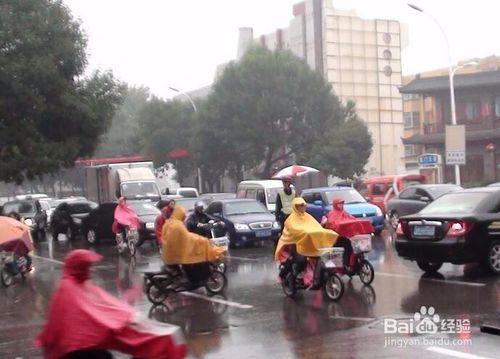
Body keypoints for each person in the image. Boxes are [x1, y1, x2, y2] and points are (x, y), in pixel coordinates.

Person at [35, 249, 186, 359]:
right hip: (76, 349)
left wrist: (125, 315)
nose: (88, 270)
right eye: (85, 266)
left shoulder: (79, 284)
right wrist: (115, 322)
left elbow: (106, 305)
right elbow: (90, 314)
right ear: (77, 266)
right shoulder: (69, 288)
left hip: (84, 346)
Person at [275, 197, 338, 289]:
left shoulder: (308, 217)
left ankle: (316, 279)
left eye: (303, 205)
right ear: (295, 206)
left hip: (308, 245)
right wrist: (307, 233)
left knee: (322, 258)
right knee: (301, 260)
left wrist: (326, 232)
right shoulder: (290, 219)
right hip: (294, 245)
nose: (302, 207)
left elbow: (316, 227)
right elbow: (295, 231)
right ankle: (294, 276)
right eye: (300, 206)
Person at [162, 205, 224, 284]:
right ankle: (195, 281)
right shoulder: (177, 225)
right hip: (179, 253)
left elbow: (186, 236)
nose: (184, 216)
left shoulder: (170, 223)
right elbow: (186, 237)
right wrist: (201, 240)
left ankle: (192, 280)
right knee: (196, 260)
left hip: (171, 253)